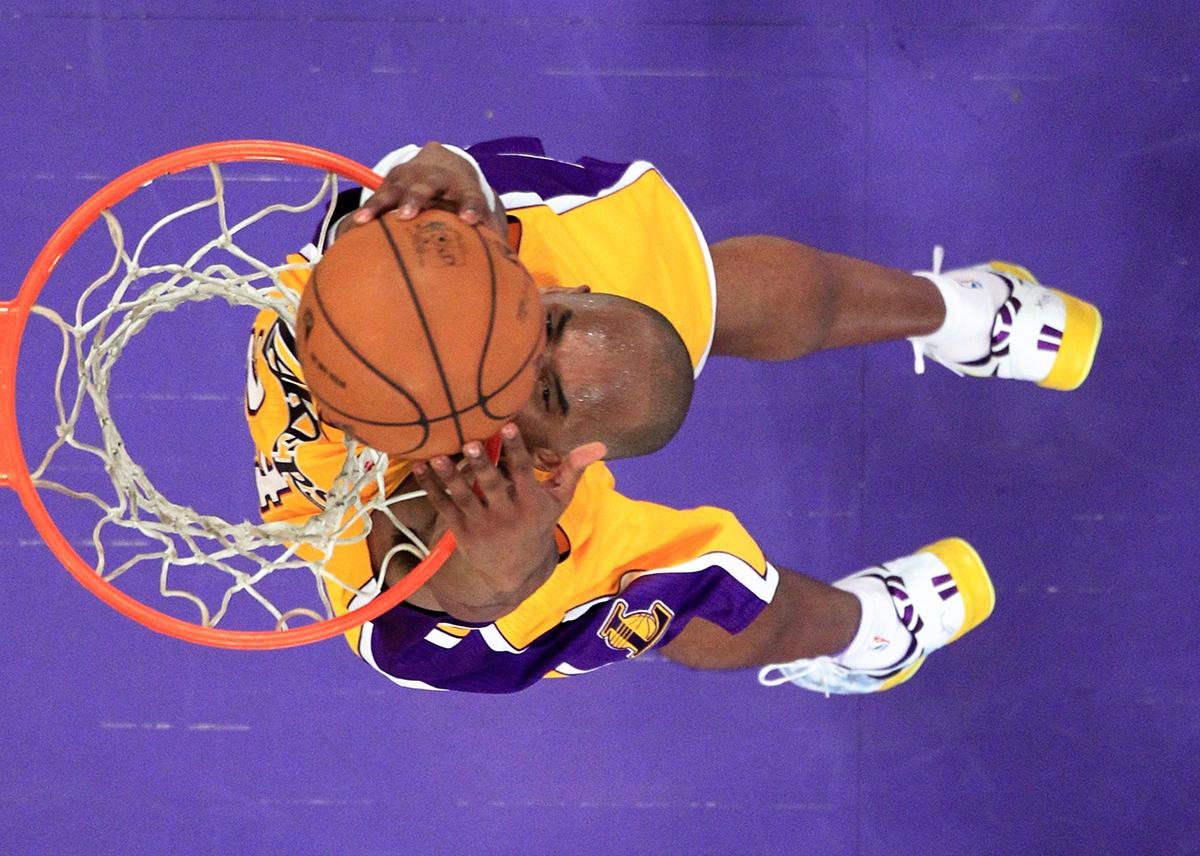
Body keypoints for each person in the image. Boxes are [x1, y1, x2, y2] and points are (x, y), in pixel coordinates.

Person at [246, 138, 1101, 694]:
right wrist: (452, 184)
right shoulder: (503, 291)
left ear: (561, 455)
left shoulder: (546, 414)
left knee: (681, 318)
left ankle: (950, 312)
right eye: (549, 331)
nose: (527, 354)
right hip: (417, 568)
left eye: (546, 386)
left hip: (493, 472)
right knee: (707, 597)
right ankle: (862, 634)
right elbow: (437, 585)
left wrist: (506, 554)